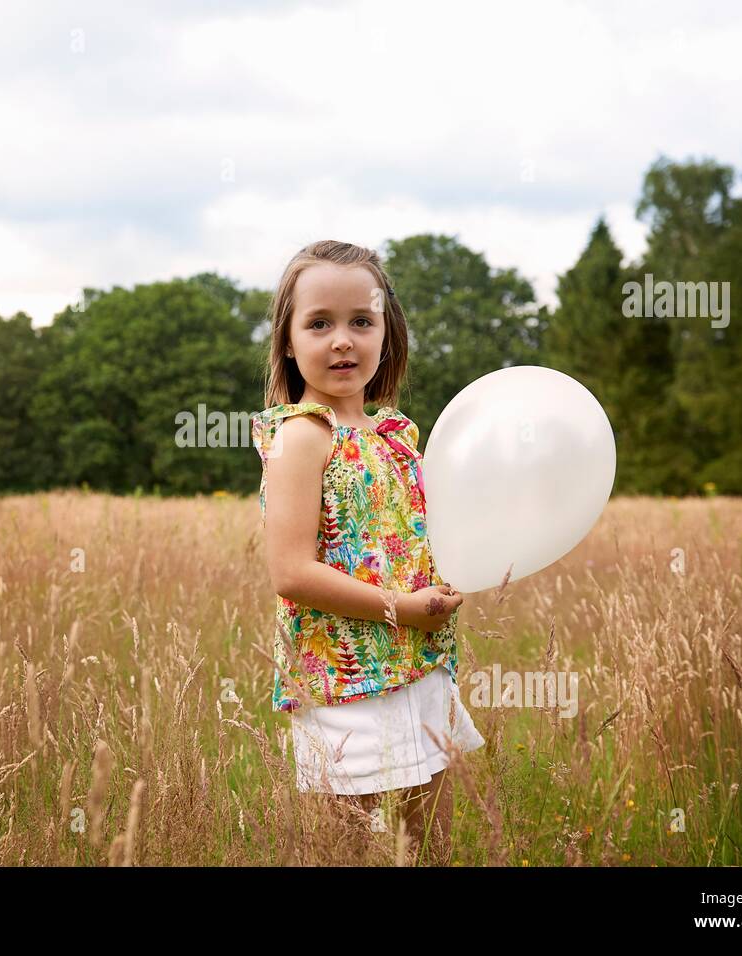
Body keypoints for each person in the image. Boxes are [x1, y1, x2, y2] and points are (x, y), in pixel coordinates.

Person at [250, 239, 485, 858]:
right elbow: (291, 571)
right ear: (288, 340)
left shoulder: (396, 432)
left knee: (429, 846)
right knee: (346, 850)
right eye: (319, 323)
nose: (342, 340)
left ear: (388, 333)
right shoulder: (302, 436)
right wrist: (402, 608)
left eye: (361, 321)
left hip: (419, 666)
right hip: (344, 678)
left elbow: (417, 536)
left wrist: (450, 578)